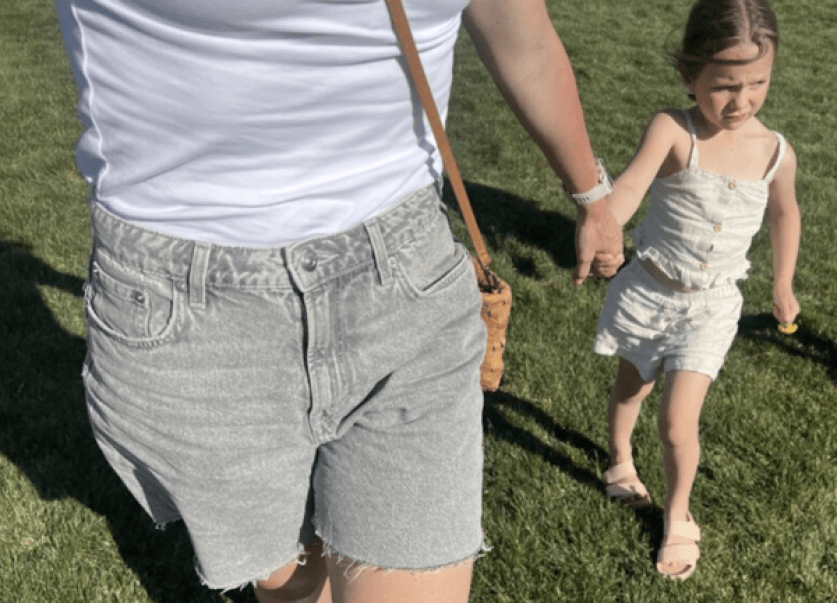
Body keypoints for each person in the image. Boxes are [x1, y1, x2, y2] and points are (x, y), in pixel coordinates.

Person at [53, 0, 621, 601]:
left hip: (405, 282)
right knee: (294, 583)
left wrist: (592, 196)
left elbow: (524, 43)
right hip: (192, 311)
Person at [594, 0, 800, 581]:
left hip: (711, 307)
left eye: (757, 83)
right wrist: (603, 226)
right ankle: (619, 459)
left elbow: (786, 214)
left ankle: (678, 514)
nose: (741, 101)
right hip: (647, 294)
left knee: (678, 423)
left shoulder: (775, 152)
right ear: (689, 73)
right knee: (631, 389)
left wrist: (782, 283)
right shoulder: (673, 130)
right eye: (725, 86)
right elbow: (630, 187)